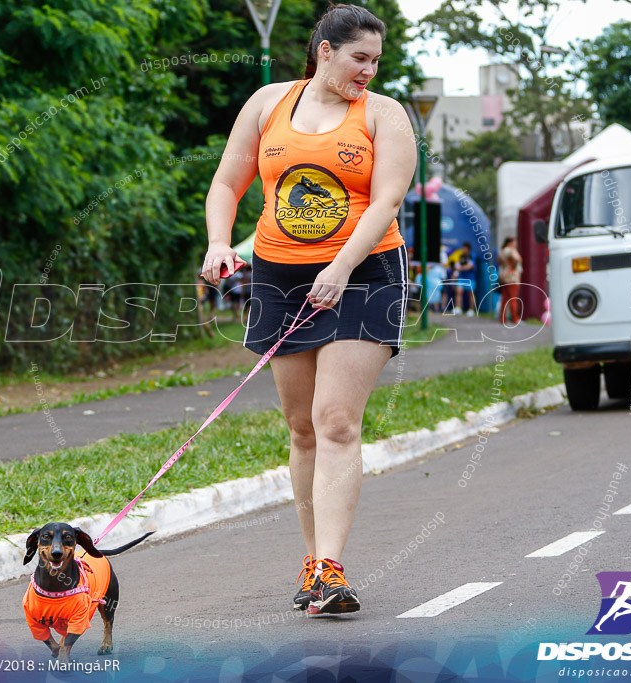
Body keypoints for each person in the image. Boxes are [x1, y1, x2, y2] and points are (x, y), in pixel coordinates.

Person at [201, 4, 416, 616]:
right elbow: (227, 183)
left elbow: (388, 200)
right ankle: (313, 563)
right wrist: (220, 241)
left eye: (376, 61)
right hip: (279, 276)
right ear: (326, 51)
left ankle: (332, 566)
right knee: (301, 428)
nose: (369, 71)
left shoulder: (382, 114)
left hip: (365, 272)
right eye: (359, 58)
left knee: (337, 420)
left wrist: (341, 266)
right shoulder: (268, 103)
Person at [497, 236, 523, 325]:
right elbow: (516, 259)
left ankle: (502, 318)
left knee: (504, 299)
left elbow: (499, 261)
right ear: (509, 243)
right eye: (514, 242)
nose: (515, 244)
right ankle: (515, 318)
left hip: (504, 277)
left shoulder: (502, 251)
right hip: (512, 277)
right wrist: (513, 268)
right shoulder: (510, 250)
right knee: (513, 299)